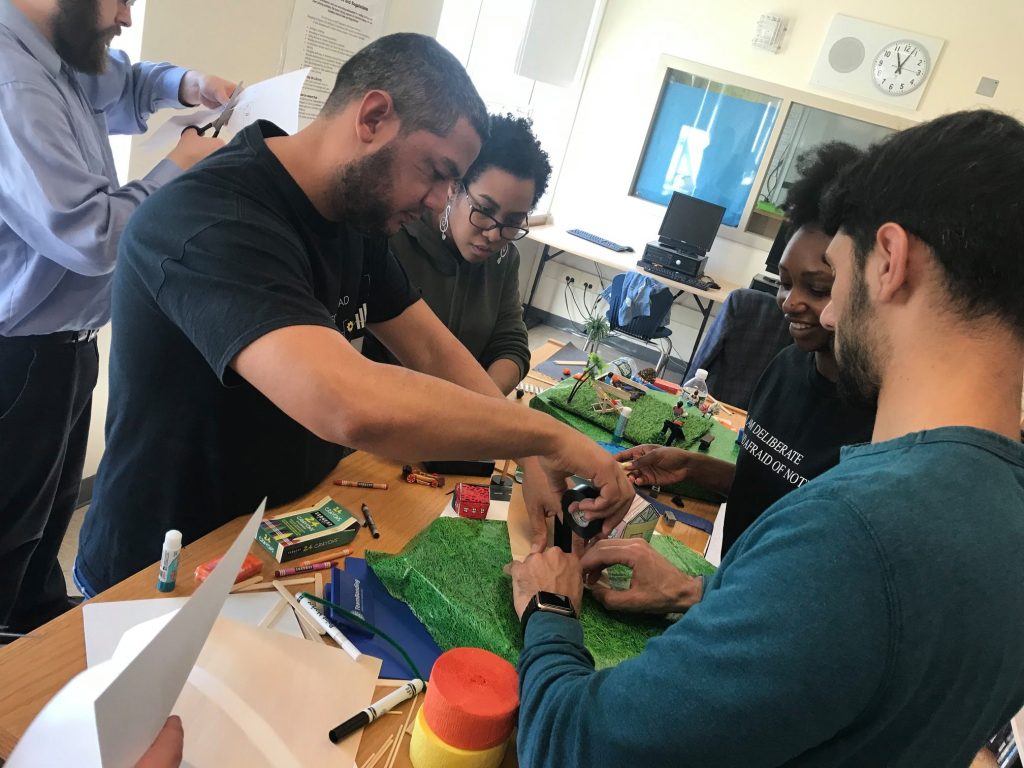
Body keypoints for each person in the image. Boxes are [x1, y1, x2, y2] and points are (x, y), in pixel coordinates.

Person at [507, 109, 1024, 766]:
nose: (827, 313)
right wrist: (705, 597)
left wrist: (550, 605)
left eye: (835, 276)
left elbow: (575, 746)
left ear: (890, 260)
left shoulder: (853, 531)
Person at [74, 33, 633, 596]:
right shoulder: (211, 219)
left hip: (280, 537)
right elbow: (349, 404)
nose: (441, 200)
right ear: (373, 117)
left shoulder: (353, 218)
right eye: (437, 171)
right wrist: (547, 435)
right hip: (163, 567)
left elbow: (434, 351)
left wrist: (533, 453)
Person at [0, 0, 232, 633]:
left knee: (45, 527)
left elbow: (123, 80)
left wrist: (189, 85)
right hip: (21, 355)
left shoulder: (52, 51)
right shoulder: (12, 79)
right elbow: (92, 234)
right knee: (10, 535)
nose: (127, 17)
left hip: (63, 347)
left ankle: (36, 631)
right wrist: (177, 171)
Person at [619, 142, 875, 554]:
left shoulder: (877, 426)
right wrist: (692, 466)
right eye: (785, 282)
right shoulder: (787, 367)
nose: (790, 303)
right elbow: (768, 485)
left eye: (818, 288)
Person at [362, 113, 549, 395]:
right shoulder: (391, 238)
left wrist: (483, 406)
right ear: (453, 187)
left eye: (513, 221)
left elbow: (510, 344)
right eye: (484, 210)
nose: (495, 234)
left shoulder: (504, 259)